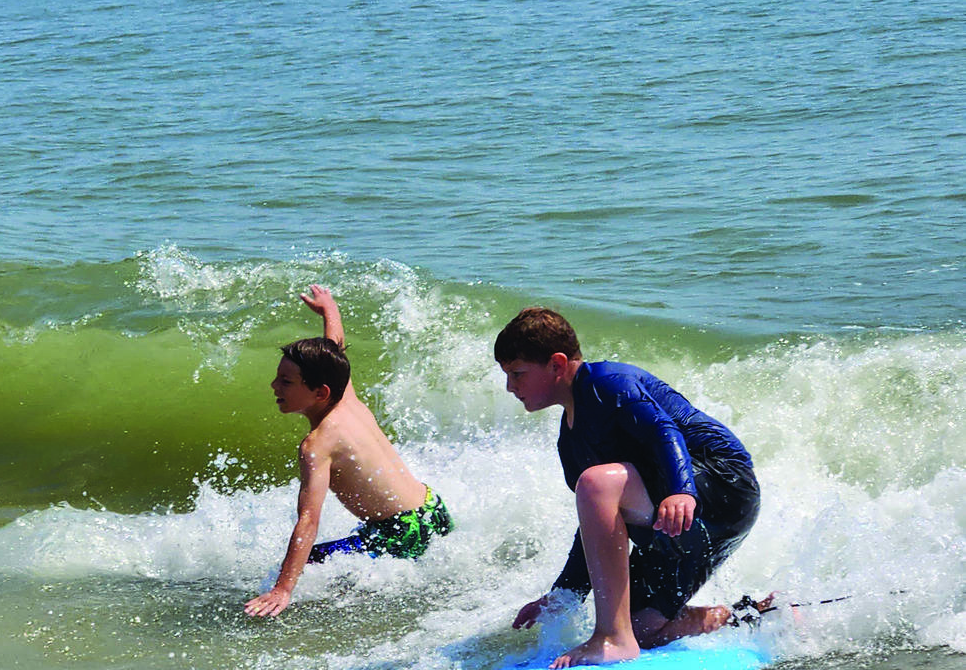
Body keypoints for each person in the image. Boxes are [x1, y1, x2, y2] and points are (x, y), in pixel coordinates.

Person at [495, 307, 761, 668]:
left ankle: (612, 638)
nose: (511, 387)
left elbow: (663, 432)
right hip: (677, 522)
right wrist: (562, 596)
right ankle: (754, 614)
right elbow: (596, 525)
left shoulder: (608, 383)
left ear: (557, 364)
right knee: (644, 628)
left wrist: (681, 490)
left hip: (721, 484)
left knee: (595, 485)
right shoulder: (569, 442)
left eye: (517, 374)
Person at [244, 285, 453, 618]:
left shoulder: (317, 445)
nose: (274, 386)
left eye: (286, 381)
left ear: (319, 392)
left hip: (400, 534)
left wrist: (283, 589)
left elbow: (309, 520)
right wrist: (329, 310)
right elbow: (336, 349)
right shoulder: (345, 397)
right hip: (432, 508)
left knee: (308, 564)